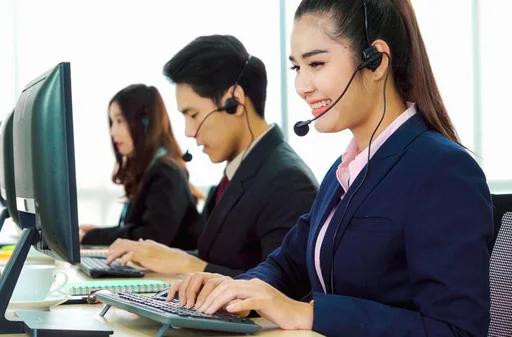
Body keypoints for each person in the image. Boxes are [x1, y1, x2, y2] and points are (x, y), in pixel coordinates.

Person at [167, 1, 493, 336]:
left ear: (376, 60)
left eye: (317, 63)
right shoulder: (344, 171)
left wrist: (308, 315)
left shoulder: (442, 170)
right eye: (297, 68)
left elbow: (457, 330)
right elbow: (287, 264)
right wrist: (237, 289)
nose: (302, 85)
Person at [105, 35, 319, 277]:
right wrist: (164, 256)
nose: (189, 131)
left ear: (234, 102)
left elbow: (281, 291)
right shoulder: (240, 171)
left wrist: (188, 265)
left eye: (193, 115)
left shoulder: (287, 182)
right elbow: (218, 260)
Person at [80, 84, 203, 251]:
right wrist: (98, 232)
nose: (112, 131)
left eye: (119, 120)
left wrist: (90, 237)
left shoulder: (166, 172)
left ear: (145, 123)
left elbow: (151, 237)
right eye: (112, 122)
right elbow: (135, 228)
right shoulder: (150, 169)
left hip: (172, 276)